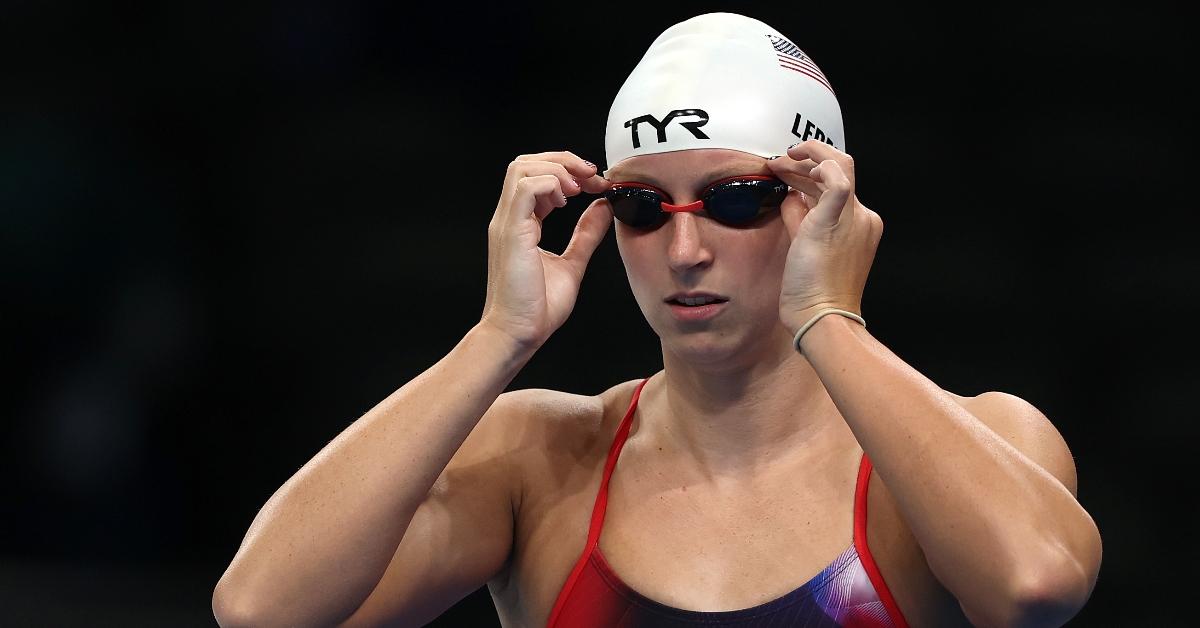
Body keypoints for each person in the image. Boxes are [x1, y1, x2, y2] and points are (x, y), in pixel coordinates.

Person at [212, 12, 1101, 628]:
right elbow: (261, 607)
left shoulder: (975, 441)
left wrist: (830, 317)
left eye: (737, 201)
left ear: (819, 204)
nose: (683, 252)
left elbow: (1036, 585)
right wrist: (496, 340)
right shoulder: (542, 460)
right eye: (642, 207)